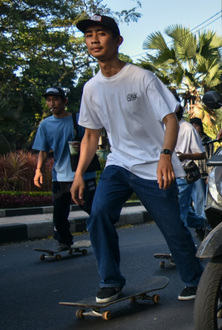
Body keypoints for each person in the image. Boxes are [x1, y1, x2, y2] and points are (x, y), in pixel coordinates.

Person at [71, 15, 203, 302]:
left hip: (153, 166)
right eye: (89, 35)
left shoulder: (141, 77)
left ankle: (195, 278)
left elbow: (170, 120)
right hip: (118, 163)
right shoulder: (91, 89)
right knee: (99, 214)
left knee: (172, 226)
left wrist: (165, 156)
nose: (94, 39)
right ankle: (111, 280)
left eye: (101, 33)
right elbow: (91, 136)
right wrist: (79, 173)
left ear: (117, 41)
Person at [32, 87, 97, 250]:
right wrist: (38, 170)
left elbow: (90, 141)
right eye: (48, 100)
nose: (51, 103)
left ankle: (101, 235)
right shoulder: (45, 125)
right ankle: (64, 241)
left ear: (64, 101)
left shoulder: (78, 120)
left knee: (94, 209)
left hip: (83, 175)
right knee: (59, 214)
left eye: (55, 99)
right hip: (60, 176)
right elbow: (43, 149)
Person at [173, 105, 207, 233]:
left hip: (183, 175)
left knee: (179, 213)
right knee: (179, 210)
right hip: (167, 175)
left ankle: (183, 249)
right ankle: (203, 224)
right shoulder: (162, 126)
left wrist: (184, 155)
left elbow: (201, 154)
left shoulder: (187, 128)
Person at [189, 117, 212, 239]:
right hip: (195, 174)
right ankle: (201, 225)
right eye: (193, 126)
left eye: (197, 126)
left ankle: (206, 224)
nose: (195, 128)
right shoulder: (190, 140)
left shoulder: (207, 140)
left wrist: (210, 174)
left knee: (207, 200)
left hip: (206, 173)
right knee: (198, 199)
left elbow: (210, 158)